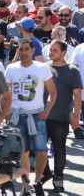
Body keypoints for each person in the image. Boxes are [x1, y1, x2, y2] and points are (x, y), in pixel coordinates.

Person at [4, 38, 57, 195]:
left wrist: (47, 110)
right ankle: (26, 183)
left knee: (41, 150)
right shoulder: (11, 68)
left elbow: (53, 92)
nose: (23, 52)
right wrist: (5, 112)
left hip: (37, 115)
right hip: (17, 115)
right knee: (23, 151)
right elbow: (6, 94)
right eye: (21, 49)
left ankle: (38, 180)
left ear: (33, 50)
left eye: (27, 49)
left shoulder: (42, 68)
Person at [41, 40, 81, 192]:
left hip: (61, 118)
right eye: (50, 50)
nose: (51, 52)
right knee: (39, 149)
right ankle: (46, 173)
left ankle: (58, 177)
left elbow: (77, 96)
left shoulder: (72, 70)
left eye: (55, 50)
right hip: (43, 116)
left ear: (64, 52)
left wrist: (75, 116)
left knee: (59, 149)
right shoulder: (43, 68)